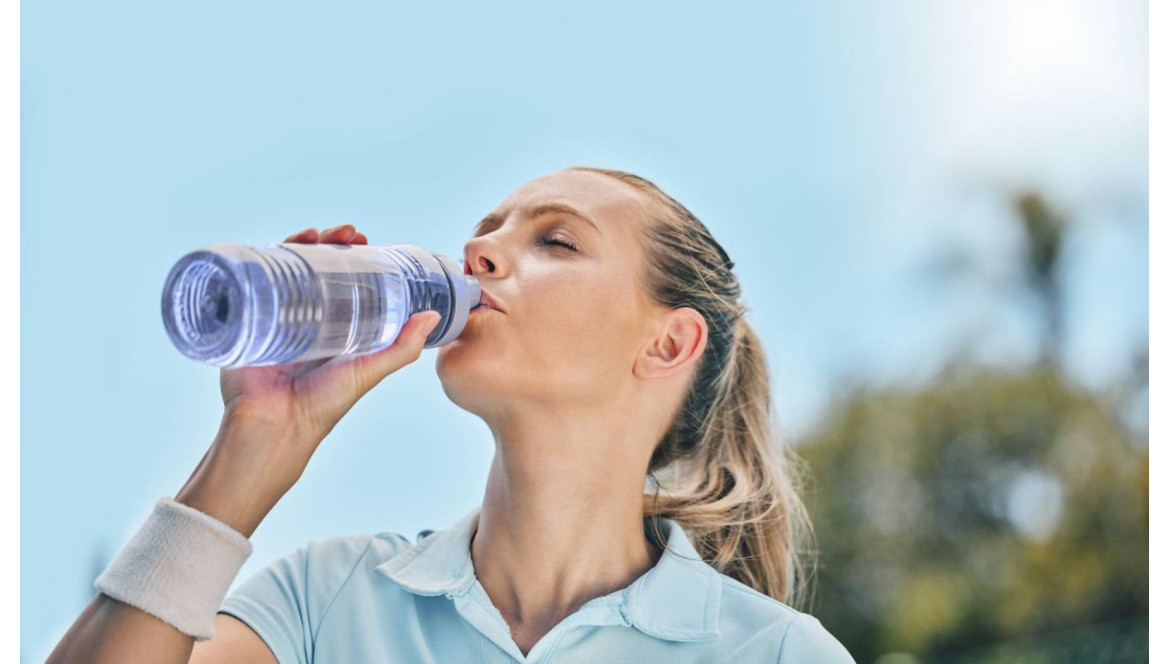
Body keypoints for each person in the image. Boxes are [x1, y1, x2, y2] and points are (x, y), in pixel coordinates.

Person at [48, 167, 855, 663]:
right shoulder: (327, 599)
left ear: (668, 343)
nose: (481, 254)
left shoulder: (774, 653)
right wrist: (253, 441)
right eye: (486, 232)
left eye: (558, 243)